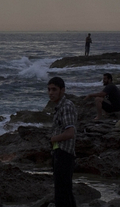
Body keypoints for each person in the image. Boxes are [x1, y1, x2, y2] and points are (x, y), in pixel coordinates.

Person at [47, 77, 77, 207]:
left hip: (64, 153)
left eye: (54, 89)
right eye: (49, 90)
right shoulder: (60, 107)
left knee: (62, 193)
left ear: (62, 90)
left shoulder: (67, 106)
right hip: (59, 152)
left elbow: (70, 132)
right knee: (64, 192)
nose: (50, 93)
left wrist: (53, 139)